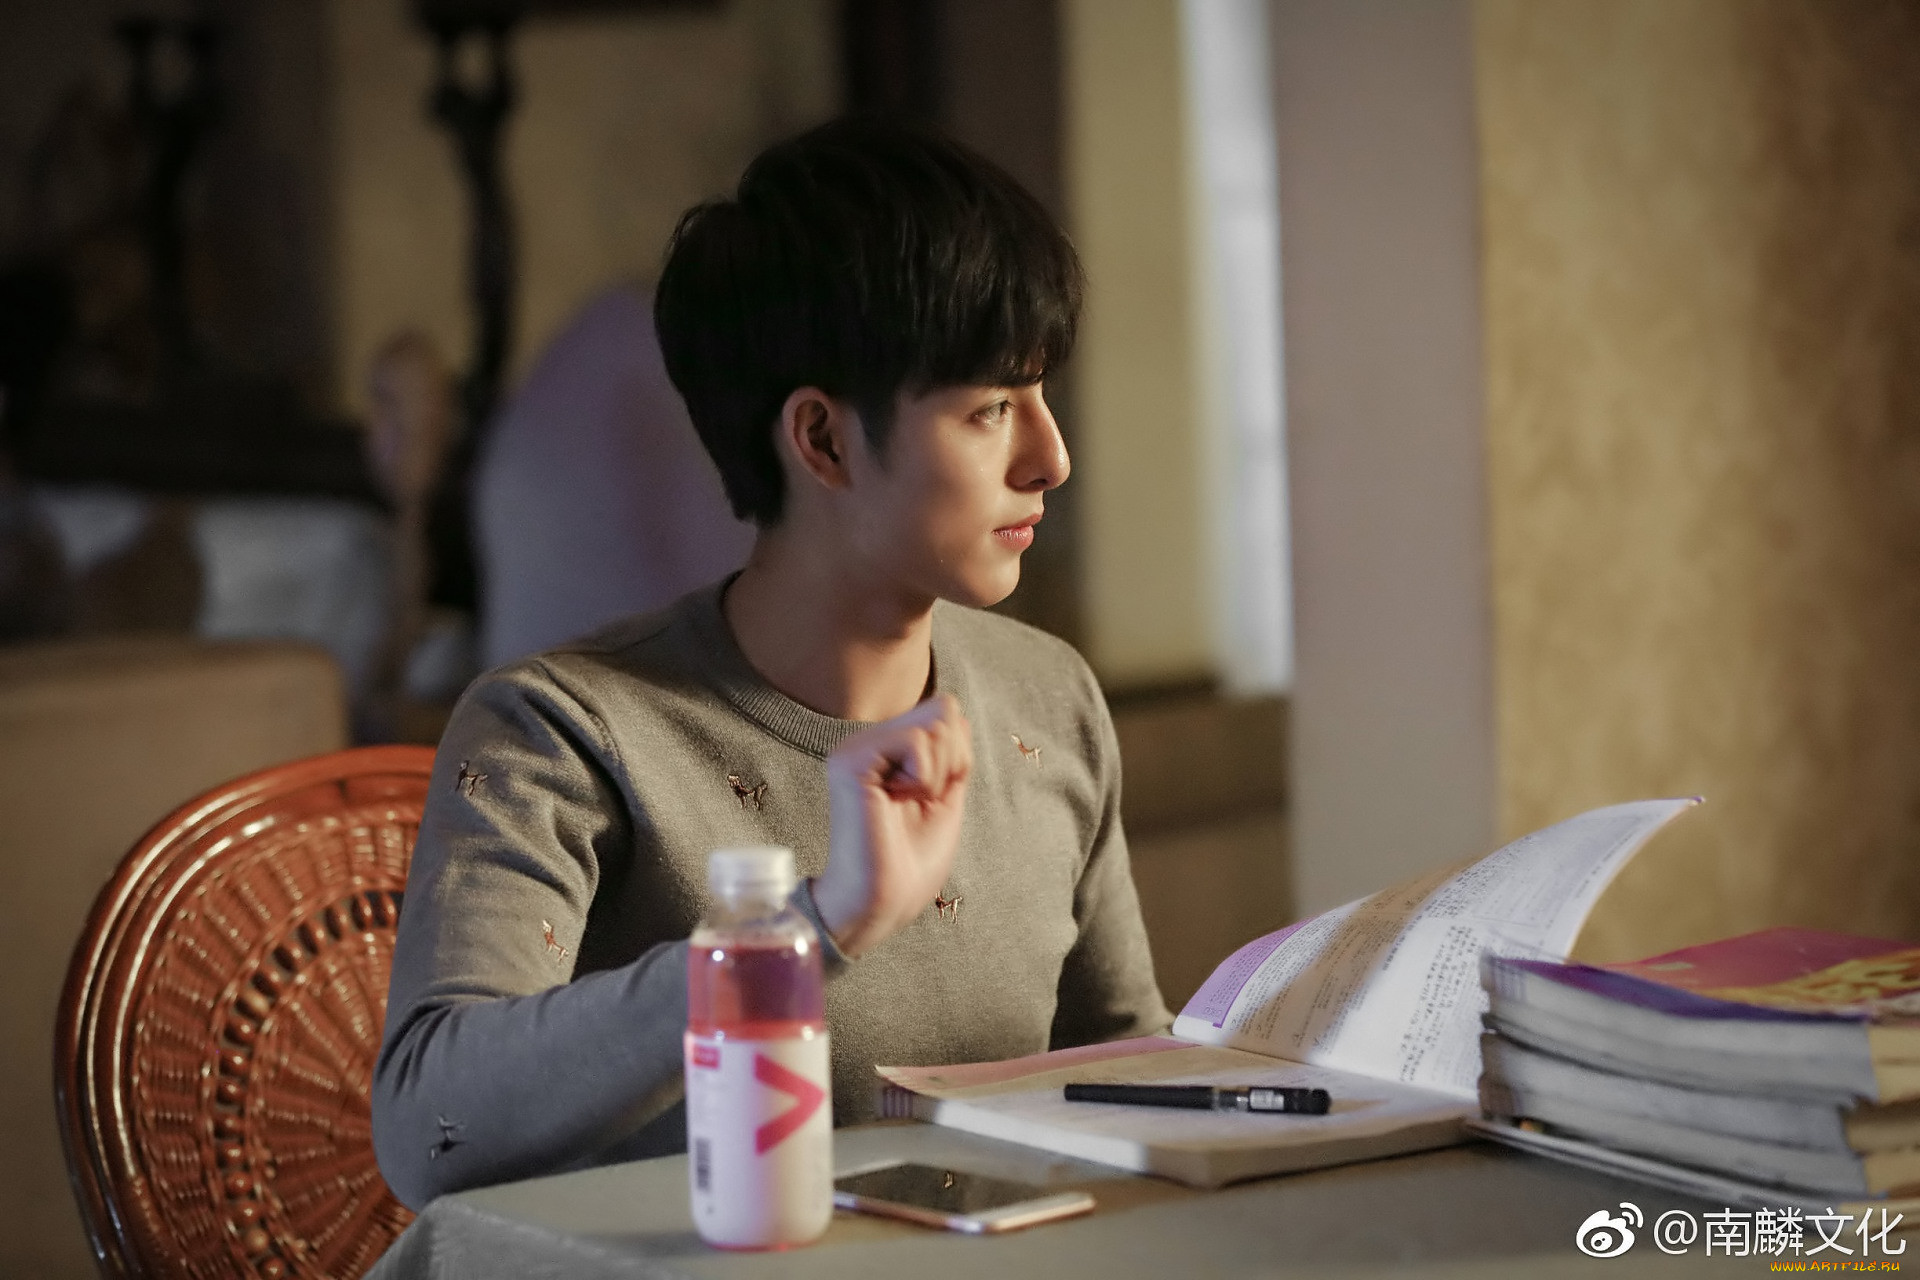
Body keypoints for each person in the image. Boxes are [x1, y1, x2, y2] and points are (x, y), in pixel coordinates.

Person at [371, 118, 1171, 1210]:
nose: (1051, 457)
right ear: (823, 440)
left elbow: (1121, 1079)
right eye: (991, 409)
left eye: (1040, 396)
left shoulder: (1049, 698)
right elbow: (431, 1129)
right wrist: (811, 929)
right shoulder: (559, 731)